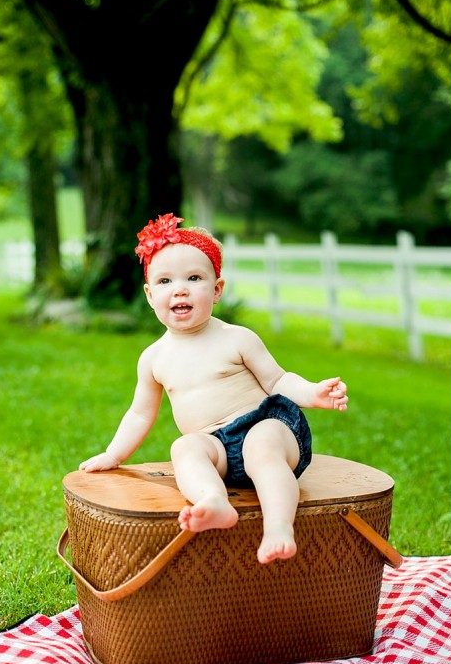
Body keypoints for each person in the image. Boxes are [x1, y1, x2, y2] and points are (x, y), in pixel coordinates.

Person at [79, 213, 349, 564]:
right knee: (185, 447)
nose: (180, 289)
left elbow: (278, 381)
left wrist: (313, 393)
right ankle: (214, 500)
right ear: (149, 295)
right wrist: (113, 455)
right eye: (165, 281)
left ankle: (279, 527)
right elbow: (140, 413)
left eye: (194, 278)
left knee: (261, 446)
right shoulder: (153, 358)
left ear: (217, 289)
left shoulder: (236, 338)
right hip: (217, 447)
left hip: (267, 427)